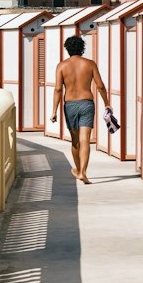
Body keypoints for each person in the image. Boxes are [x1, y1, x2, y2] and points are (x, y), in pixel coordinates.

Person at [50, 34, 108, 183]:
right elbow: (100, 86)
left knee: (75, 141)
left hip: (70, 105)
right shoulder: (90, 64)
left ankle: (78, 169)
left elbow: (58, 90)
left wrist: (54, 111)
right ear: (82, 48)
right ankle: (82, 171)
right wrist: (107, 103)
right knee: (85, 140)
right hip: (87, 104)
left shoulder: (62, 66)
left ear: (67, 49)